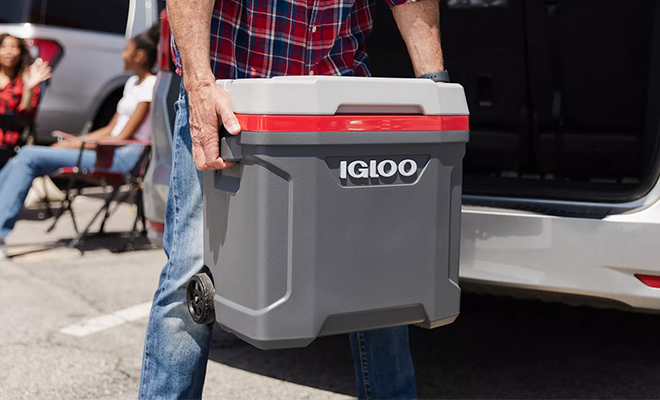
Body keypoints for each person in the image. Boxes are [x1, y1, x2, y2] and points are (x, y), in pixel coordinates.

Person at [139, 0, 446, 398]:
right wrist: (199, 88)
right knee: (192, 273)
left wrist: (437, 88)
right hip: (232, 100)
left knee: (377, 269)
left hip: (339, 101)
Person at [0, 25, 160, 260]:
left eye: (126, 50)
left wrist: (71, 145)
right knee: (22, 159)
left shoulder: (149, 86)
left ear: (140, 55)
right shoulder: (131, 84)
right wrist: (79, 139)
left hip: (124, 155)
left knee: (29, 155)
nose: (122, 54)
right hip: (110, 148)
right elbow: (108, 128)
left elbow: (120, 136)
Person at [0, 34, 51, 150]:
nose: (9, 51)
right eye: (3, 47)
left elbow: (25, 116)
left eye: (13, 47)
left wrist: (28, 88)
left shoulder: (24, 80)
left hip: (7, 143)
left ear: (20, 52)